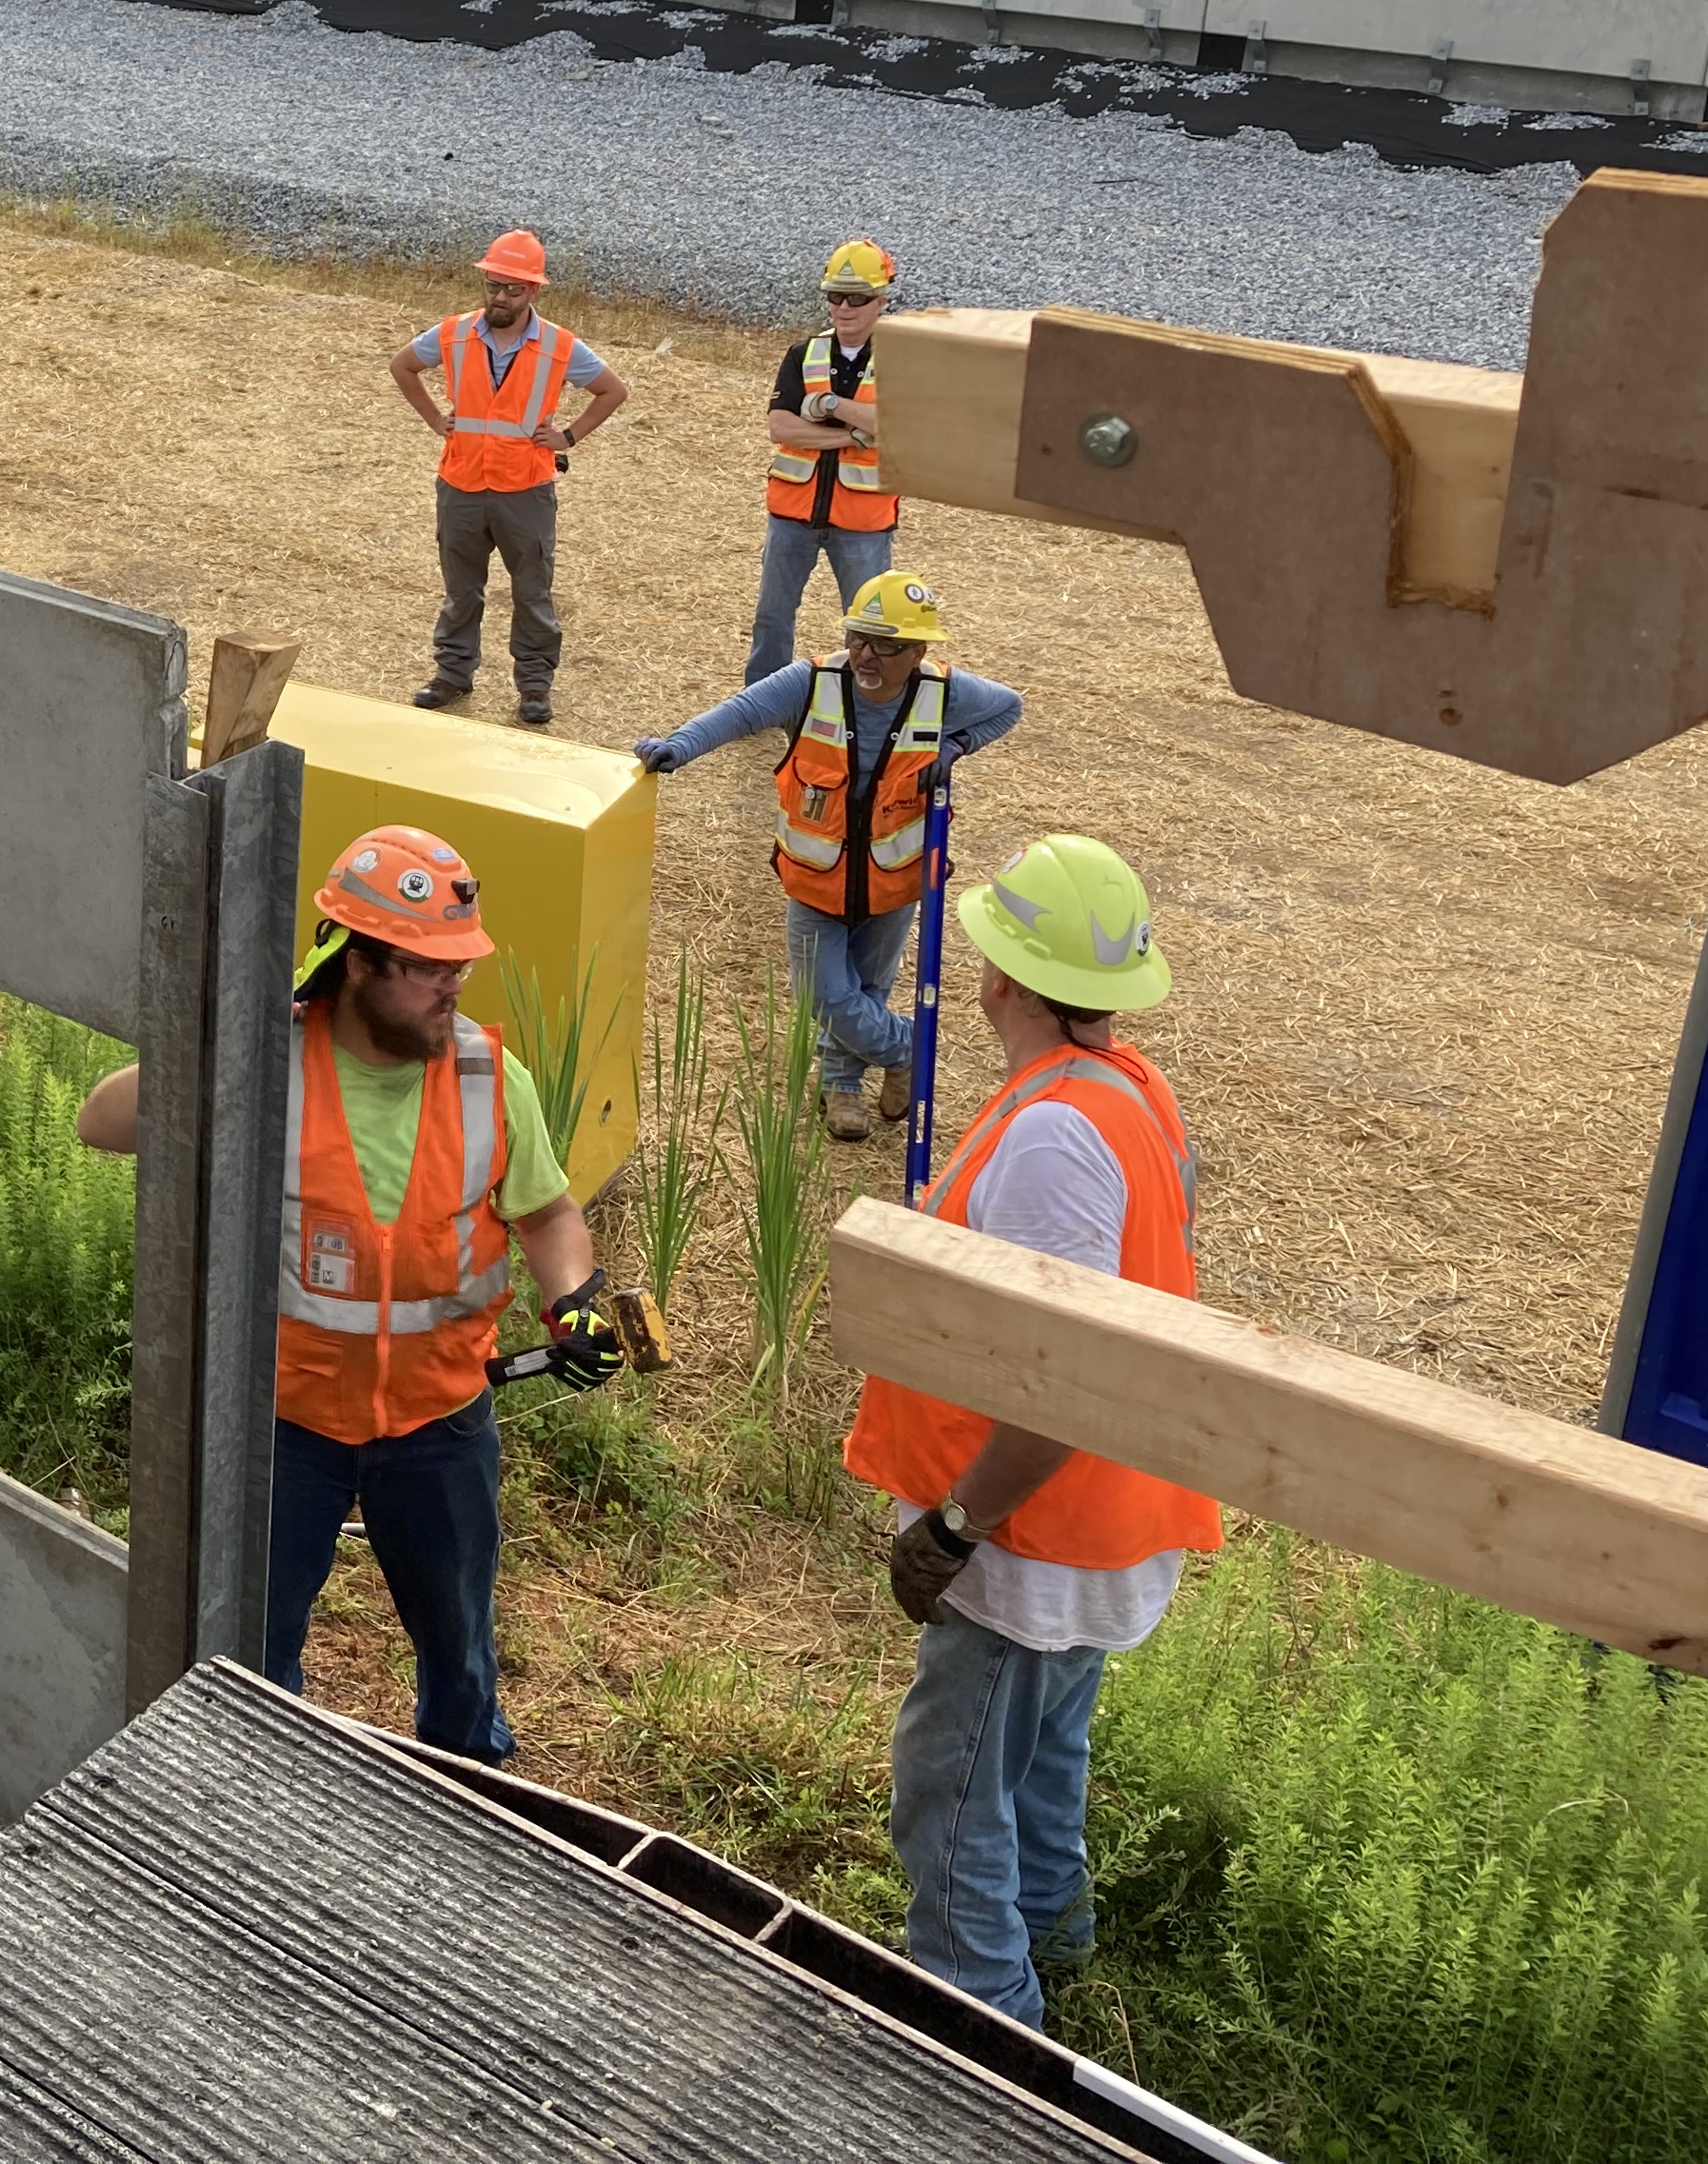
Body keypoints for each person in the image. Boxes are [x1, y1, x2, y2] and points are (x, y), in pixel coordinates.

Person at [75, 827, 626, 1760]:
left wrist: (574, 1299)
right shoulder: (268, 1062)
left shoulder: (491, 1077)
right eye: (427, 967)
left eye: (461, 965)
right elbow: (102, 1123)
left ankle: (468, 1785)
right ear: (358, 963)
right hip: (288, 1428)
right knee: (252, 1649)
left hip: (440, 1424)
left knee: (458, 1649)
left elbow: (548, 1217)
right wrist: (219, 1031)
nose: (454, 987)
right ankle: (255, 1785)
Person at [845, 833, 1221, 2026]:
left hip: (1029, 1543)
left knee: (950, 1788)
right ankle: (1058, 1945)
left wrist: (956, 1527)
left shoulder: (1055, 1132)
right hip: (1102, 1523)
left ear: (1004, 978)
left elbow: (1060, 1379)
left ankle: (982, 2023)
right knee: (1046, 1755)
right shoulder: (1131, 1092)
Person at [631, 574, 1021, 1142]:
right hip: (817, 880)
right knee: (824, 994)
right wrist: (679, 746)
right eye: (859, 637)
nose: (866, 654)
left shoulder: (945, 694)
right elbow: (740, 712)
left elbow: (1008, 709)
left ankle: (842, 1087)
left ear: (918, 653)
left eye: (885, 645)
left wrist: (956, 746)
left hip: (894, 883)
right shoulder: (812, 682)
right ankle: (910, 1048)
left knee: (866, 988)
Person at [391, 230, 630, 727]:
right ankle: (452, 675)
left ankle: (535, 688)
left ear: (534, 292)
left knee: (532, 593)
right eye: (493, 285)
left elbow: (611, 390)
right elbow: (404, 366)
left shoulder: (561, 346)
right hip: (461, 484)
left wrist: (568, 436)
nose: (500, 297)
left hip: (525, 489)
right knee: (461, 589)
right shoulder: (454, 333)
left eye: (512, 289)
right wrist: (437, 421)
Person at [751, 239, 902, 685]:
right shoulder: (803, 353)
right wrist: (853, 435)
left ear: (880, 301)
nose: (844, 307)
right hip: (793, 513)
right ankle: (761, 703)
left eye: (856, 298)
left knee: (867, 628)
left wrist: (832, 403)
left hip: (863, 522)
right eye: (835, 296)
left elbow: (896, 427)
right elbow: (781, 428)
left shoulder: (904, 359)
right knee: (772, 618)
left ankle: (863, 705)